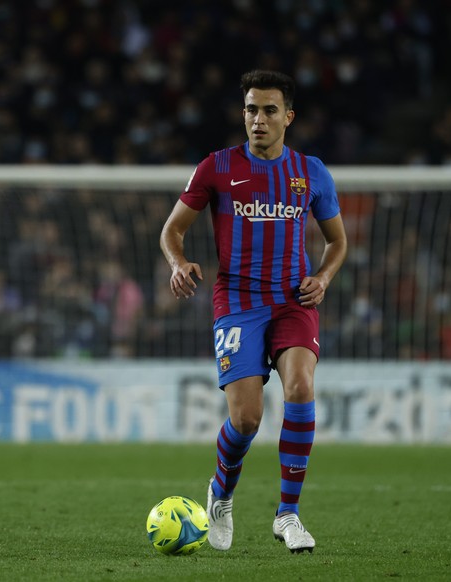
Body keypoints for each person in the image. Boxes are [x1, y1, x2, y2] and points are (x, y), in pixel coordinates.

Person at [159, 69, 347, 553]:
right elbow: (172, 231)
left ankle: (288, 514)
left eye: (268, 110)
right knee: (245, 420)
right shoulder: (216, 167)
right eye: (250, 109)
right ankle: (220, 495)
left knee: (302, 387)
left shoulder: (311, 172)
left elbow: (337, 242)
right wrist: (178, 264)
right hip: (238, 301)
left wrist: (322, 278)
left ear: (288, 115)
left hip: (292, 300)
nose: (257, 119)